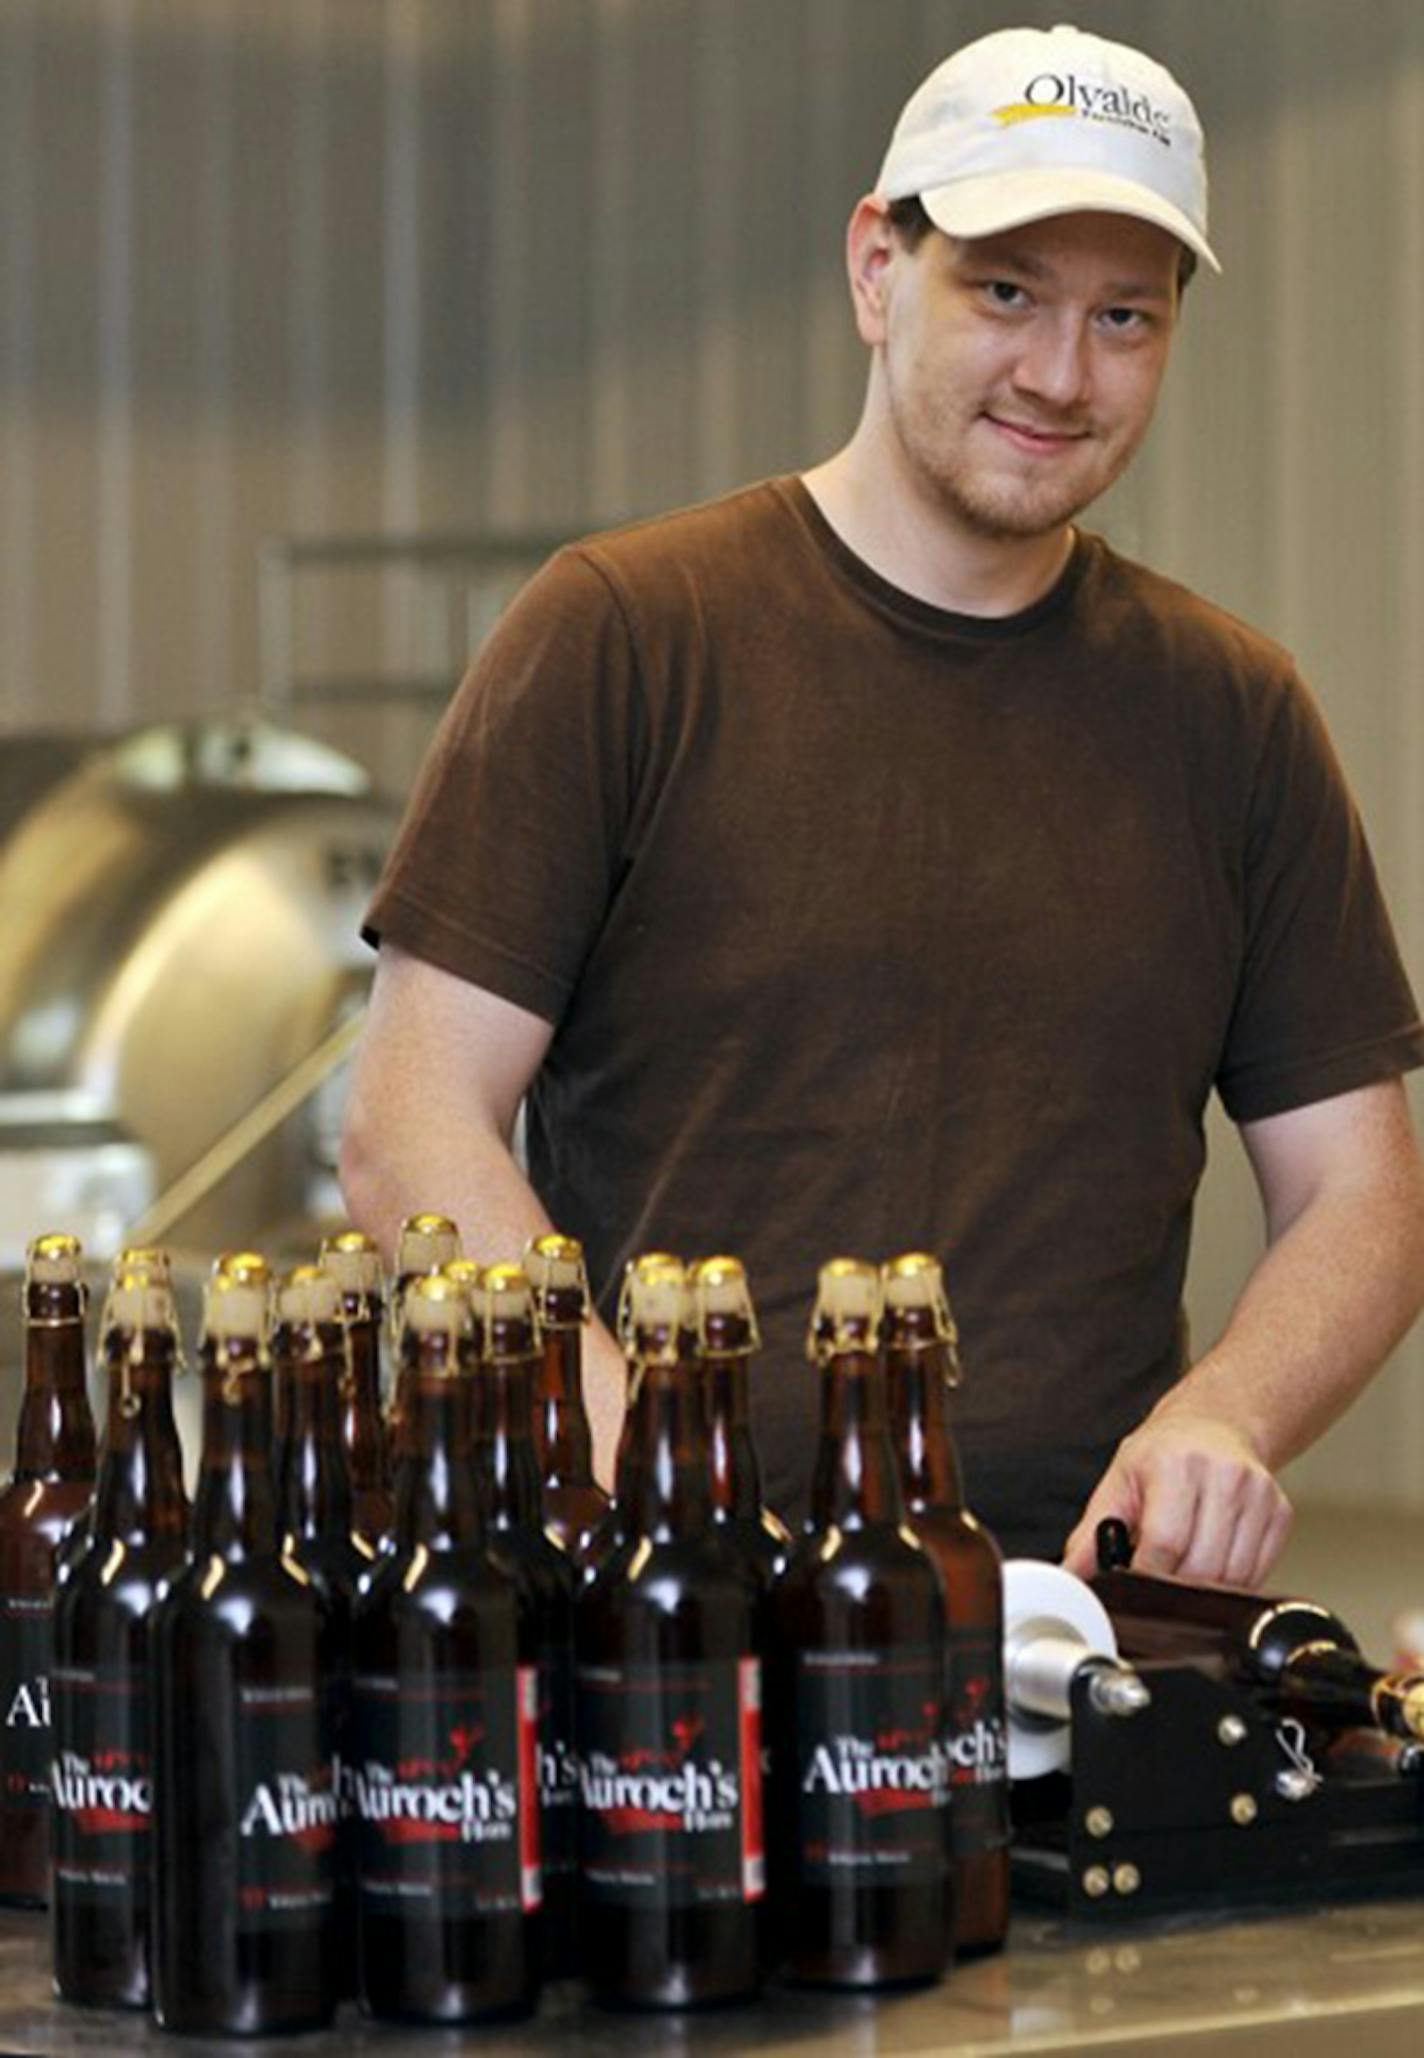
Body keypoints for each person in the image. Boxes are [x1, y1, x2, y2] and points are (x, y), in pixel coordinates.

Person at [342, 24, 1424, 1581]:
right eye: (1006, 293)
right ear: (874, 267)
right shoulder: (627, 635)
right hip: (654, 1620)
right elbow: (409, 1124)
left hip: (1061, 1628)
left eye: (1126, 315)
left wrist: (1226, 1414)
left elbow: (1362, 1194)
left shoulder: (1230, 714)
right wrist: (657, 1458)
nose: (1062, 373)